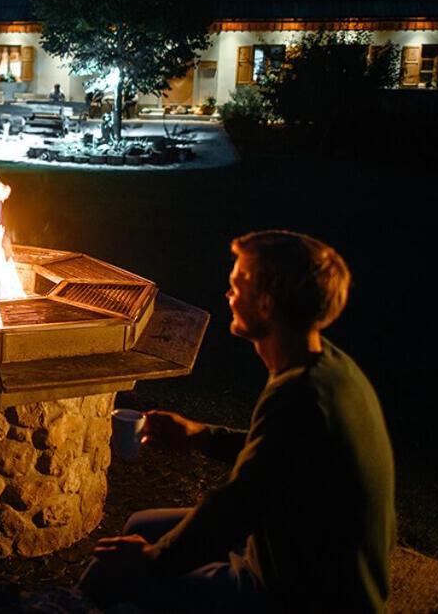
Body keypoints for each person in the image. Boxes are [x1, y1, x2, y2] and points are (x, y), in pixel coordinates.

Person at [83, 230, 395, 613]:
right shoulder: (327, 365)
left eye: (236, 285)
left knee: (112, 576)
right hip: (293, 546)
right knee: (140, 525)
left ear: (265, 305)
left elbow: (236, 507)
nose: (228, 295)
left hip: (303, 593)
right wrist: (201, 436)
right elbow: (278, 454)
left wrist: (153, 560)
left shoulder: (301, 395)